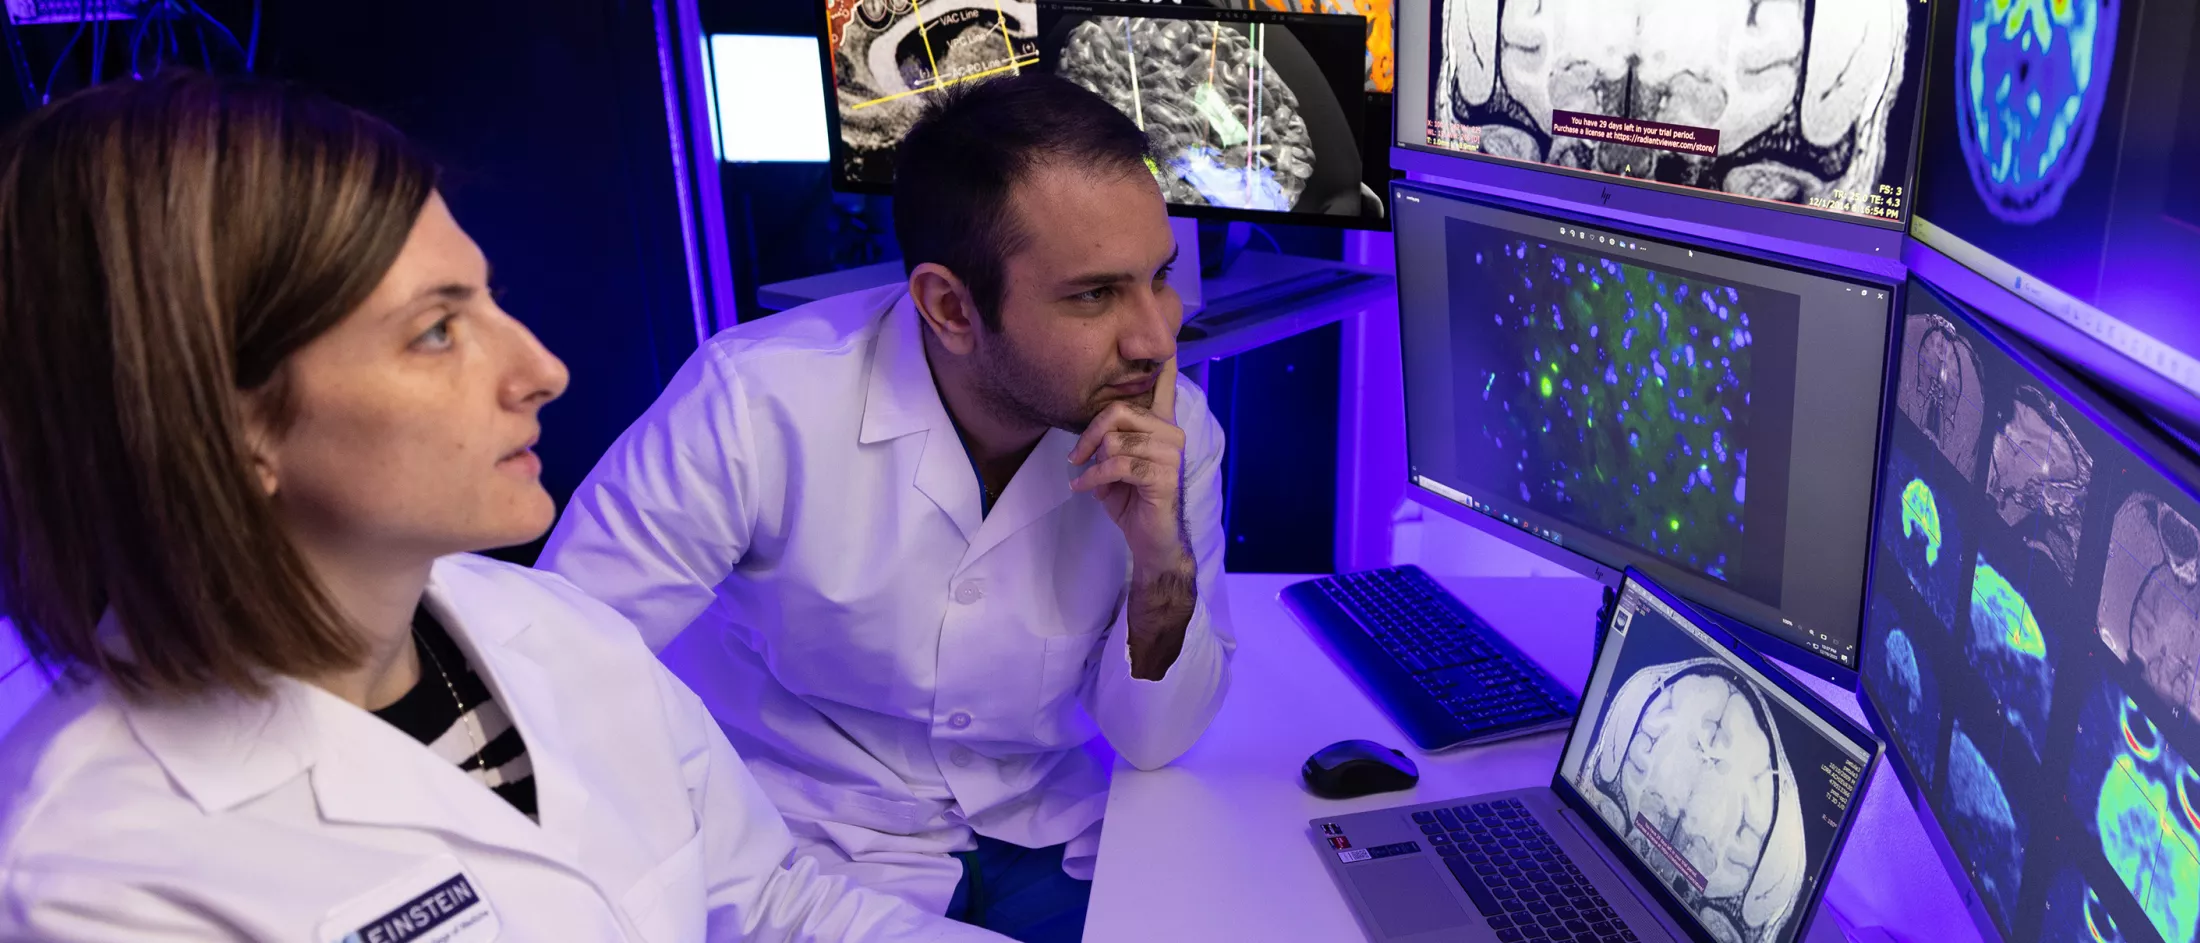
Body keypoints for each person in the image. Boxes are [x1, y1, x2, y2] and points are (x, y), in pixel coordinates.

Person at [0, 71, 1004, 943]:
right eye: (436, 331)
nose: (542, 370)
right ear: (223, 419)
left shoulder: (558, 632)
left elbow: (774, 906)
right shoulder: (94, 879)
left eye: (488, 299)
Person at [540, 72, 1235, 941]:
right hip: (804, 848)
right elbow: (556, 670)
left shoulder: (1174, 432)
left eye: (1159, 276)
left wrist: (1161, 559)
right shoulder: (755, 404)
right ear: (950, 307)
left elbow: (1157, 739)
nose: (1158, 337)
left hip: (1047, 834)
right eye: (1093, 294)